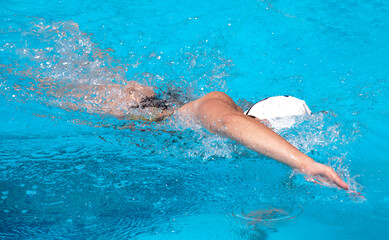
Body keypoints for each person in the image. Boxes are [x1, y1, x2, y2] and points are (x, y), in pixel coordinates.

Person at [54, 81, 348, 190]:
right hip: (139, 113)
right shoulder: (217, 105)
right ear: (254, 119)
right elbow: (230, 122)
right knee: (53, 89)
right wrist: (306, 164)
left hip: (163, 128)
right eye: (263, 128)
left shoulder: (267, 145)